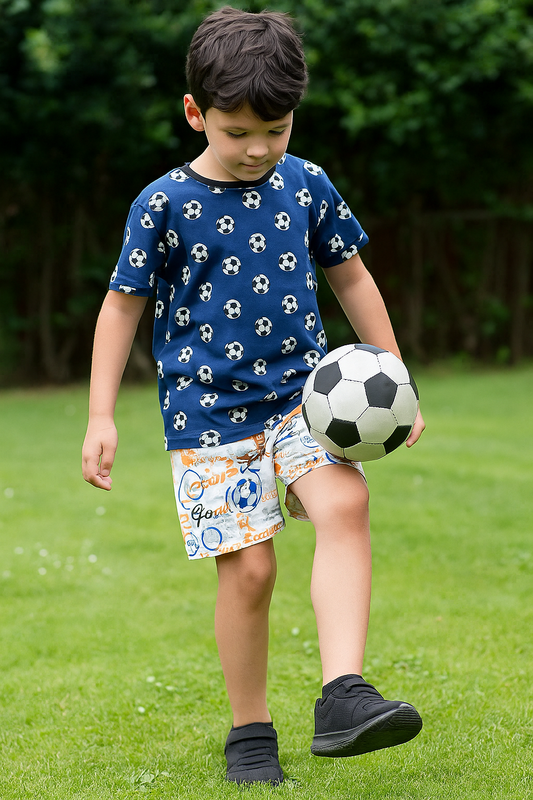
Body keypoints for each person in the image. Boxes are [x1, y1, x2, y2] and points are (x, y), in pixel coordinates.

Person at [82, 5, 425, 786]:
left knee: (344, 506)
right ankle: (249, 730)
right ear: (195, 114)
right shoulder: (162, 204)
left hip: (307, 397)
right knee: (250, 574)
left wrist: (392, 375)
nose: (258, 150)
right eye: (238, 133)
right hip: (205, 418)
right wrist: (101, 414)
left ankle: (343, 695)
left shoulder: (305, 183)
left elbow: (353, 276)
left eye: (276, 129)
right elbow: (120, 306)